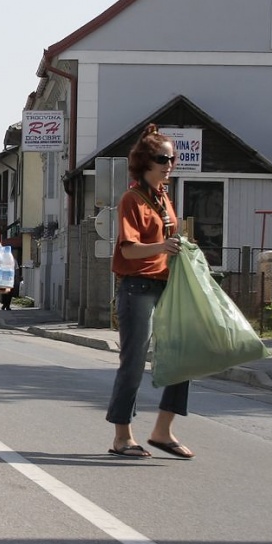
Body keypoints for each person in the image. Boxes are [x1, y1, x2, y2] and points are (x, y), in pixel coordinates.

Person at [105, 125, 193, 460]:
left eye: (172, 159)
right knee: (133, 362)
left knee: (182, 356)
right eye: (162, 159)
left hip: (166, 285)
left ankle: (162, 431)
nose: (169, 164)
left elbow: (166, 241)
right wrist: (163, 246)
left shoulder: (163, 197)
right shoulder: (132, 199)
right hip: (138, 287)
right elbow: (129, 250)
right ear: (145, 162)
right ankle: (122, 436)